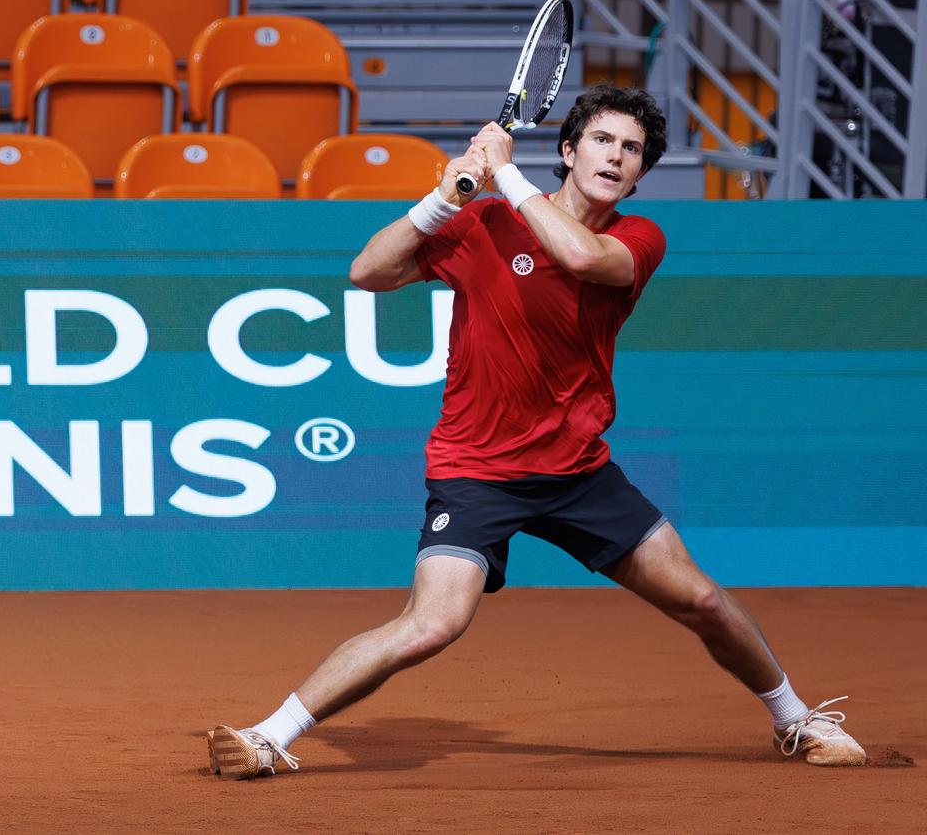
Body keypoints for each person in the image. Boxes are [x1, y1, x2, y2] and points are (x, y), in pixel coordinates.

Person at [206, 85, 867, 779]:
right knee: (432, 624)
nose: (615, 156)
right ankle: (267, 736)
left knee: (700, 598)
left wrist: (505, 171)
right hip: (476, 471)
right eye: (603, 140)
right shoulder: (486, 223)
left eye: (631, 149)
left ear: (640, 173)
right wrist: (447, 199)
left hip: (578, 471)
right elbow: (367, 271)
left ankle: (797, 719)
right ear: (569, 149)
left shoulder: (637, 239)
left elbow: (580, 259)